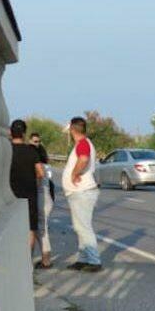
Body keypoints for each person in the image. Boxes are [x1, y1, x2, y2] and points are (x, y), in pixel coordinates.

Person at [62, 117, 102, 272]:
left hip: (82, 192)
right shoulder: (84, 143)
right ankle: (83, 258)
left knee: (83, 227)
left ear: (72, 129)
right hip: (79, 192)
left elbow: (83, 159)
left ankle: (93, 260)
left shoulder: (83, 143)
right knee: (79, 227)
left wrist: (74, 173)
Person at [8, 119, 43, 261]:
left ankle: (13, 257)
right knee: (30, 227)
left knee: (11, 225)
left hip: (10, 193)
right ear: (24, 133)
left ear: (11, 132)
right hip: (29, 194)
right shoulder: (31, 150)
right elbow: (40, 173)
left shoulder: (6, 149)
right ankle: (27, 260)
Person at [31, 133, 54, 269]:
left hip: (41, 199)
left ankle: (46, 260)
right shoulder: (46, 166)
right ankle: (45, 258)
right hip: (47, 199)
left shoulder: (39, 167)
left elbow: (38, 182)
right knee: (41, 229)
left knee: (41, 230)